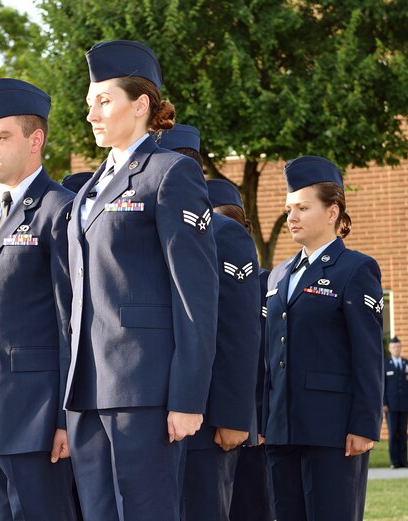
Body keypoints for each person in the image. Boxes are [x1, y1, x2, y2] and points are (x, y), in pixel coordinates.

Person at [65, 40, 218, 521]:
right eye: (89, 102)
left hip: (144, 392)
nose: (92, 113)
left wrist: (188, 399)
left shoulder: (170, 174)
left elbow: (196, 298)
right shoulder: (89, 189)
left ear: (142, 105)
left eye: (104, 100)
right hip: (87, 391)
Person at [0, 78, 77, 521]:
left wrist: (66, 417)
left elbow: (72, 322)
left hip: (37, 416)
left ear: (35, 140)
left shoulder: (61, 209)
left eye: (2, 137)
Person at [262, 155, 384, 521]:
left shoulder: (355, 269)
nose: (292, 218)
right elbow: (269, 355)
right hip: (281, 429)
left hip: (332, 431)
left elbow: (367, 354)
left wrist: (364, 425)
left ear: (332, 212)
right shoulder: (279, 274)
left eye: (303, 207)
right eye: (288, 209)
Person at [158, 126, 259, 521]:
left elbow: (240, 330)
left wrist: (234, 416)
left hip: (209, 419)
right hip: (156, 412)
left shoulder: (226, 234)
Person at [205, 181, 276, 521]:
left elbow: (265, 358)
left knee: (252, 504)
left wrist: (259, 419)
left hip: (252, 422)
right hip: (214, 413)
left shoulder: (266, 285)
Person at [383, 337, 408, 469]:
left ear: (401, 348)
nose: (396, 349)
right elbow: (382, 385)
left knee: (403, 433)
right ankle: (394, 461)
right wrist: (383, 403)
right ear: (390, 349)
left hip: (404, 404)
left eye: (398, 346)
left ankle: (404, 460)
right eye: (394, 347)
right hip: (390, 405)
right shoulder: (385, 364)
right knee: (392, 433)